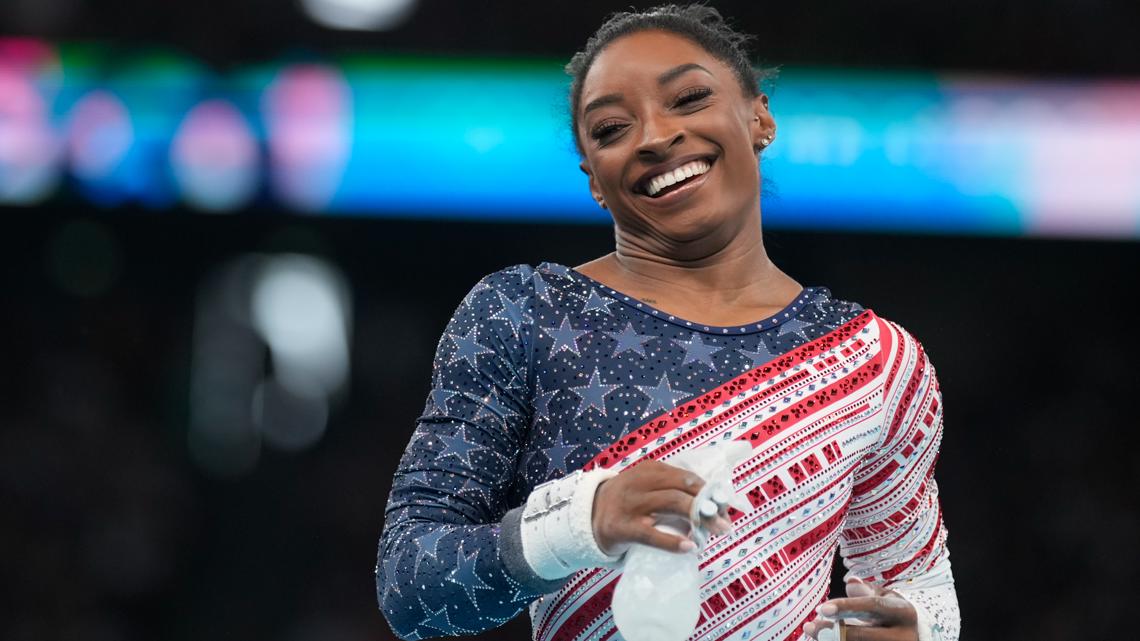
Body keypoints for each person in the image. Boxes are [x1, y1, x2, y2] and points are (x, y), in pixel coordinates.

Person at [376, 4, 960, 641]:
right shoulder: (525, 312)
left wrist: (919, 630)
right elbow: (411, 585)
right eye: (611, 129)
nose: (655, 136)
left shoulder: (875, 361)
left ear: (759, 117)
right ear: (594, 181)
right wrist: (586, 520)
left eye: (688, 98)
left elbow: (920, 590)